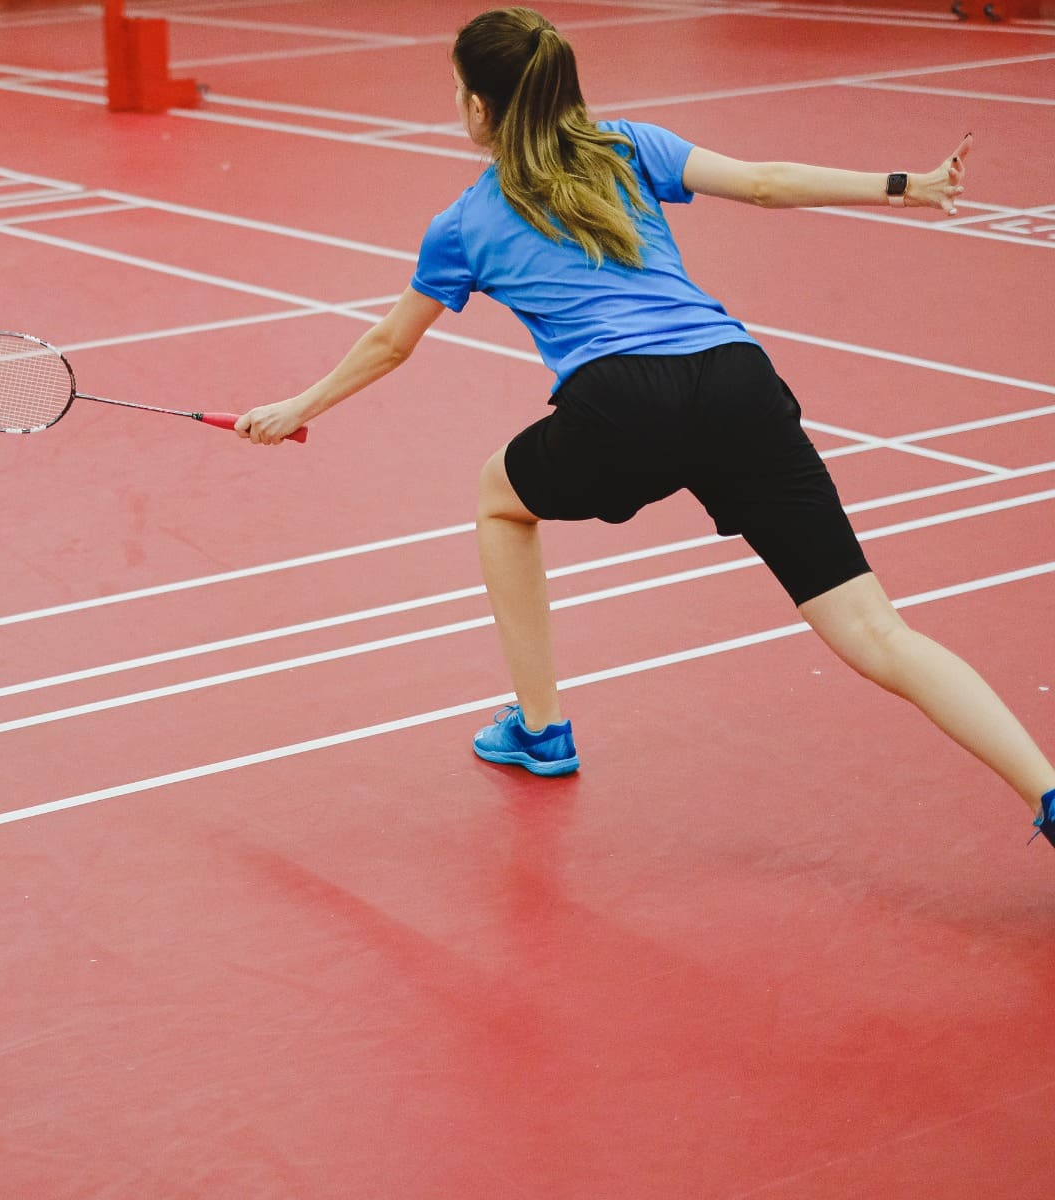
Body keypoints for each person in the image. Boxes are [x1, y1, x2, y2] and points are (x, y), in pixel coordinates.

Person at [233, 6, 1055, 849]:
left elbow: (390, 342)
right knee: (877, 632)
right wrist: (907, 185)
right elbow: (764, 181)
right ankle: (1048, 790)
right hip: (737, 379)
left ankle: (540, 727)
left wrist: (297, 409)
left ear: (479, 107)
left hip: (623, 404)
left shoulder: (464, 224)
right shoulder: (627, 146)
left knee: (498, 499)